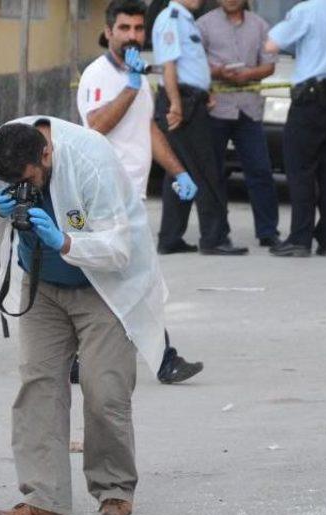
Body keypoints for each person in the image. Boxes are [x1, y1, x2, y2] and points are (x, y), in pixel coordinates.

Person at [0, 117, 168, 515]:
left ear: (47, 153)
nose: (27, 190)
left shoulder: (90, 158)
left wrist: (65, 241)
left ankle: (113, 490)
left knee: (103, 387)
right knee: (37, 384)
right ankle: (45, 496)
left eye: (30, 180)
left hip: (102, 286)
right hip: (41, 284)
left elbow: (119, 248)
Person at [77, 0, 203, 385]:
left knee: (110, 280)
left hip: (131, 193)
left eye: (138, 28)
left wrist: (179, 171)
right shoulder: (98, 75)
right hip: (103, 196)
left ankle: (79, 360)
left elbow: (148, 129)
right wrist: (130, 88)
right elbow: (95, 125)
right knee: (138, 278)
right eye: (125, 28)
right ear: (108, 30)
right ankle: (164, 359)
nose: (133, 35)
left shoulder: (138, 75)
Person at [153, 0, 248, 255]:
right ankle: (214, 238)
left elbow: (189, 65)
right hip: (182, 103)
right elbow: (169, 66)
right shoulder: (171, 18)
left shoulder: (185, 19)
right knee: (206, 170)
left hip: (192, 99)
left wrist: (206, 93)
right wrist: (175, 104)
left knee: (179, 171)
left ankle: (170, 238)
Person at [197, 0, 280, 248]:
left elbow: (269, 65)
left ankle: (268, 232)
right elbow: (194, 62)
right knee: (213, 174)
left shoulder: (260, 26)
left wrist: (248, 75)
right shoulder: (204, 24)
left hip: (248, 109)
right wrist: (218, 73)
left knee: (261, 171)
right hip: (216, 109)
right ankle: (218, 233)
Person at [265, 0, 326, 257]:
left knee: (300, 168)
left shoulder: (307, 10)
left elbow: (272, 44)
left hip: (312, 97)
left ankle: (300, 238)